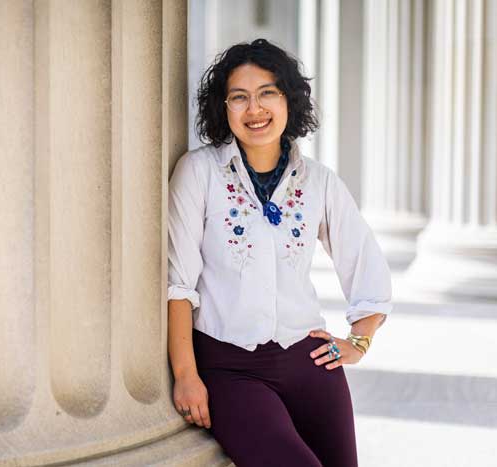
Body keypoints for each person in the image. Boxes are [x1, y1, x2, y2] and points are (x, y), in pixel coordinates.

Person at [167, 38, 392, 467]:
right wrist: (186, 376)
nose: (255, 109)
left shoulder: (319, 181)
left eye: (267, 93)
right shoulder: (200, 173)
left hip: (310, 362)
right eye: (239, 97)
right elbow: (178, 284)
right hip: (230, 368)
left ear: (289, 100)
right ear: (224, 107)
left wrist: (359, 341)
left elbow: (365, 262)